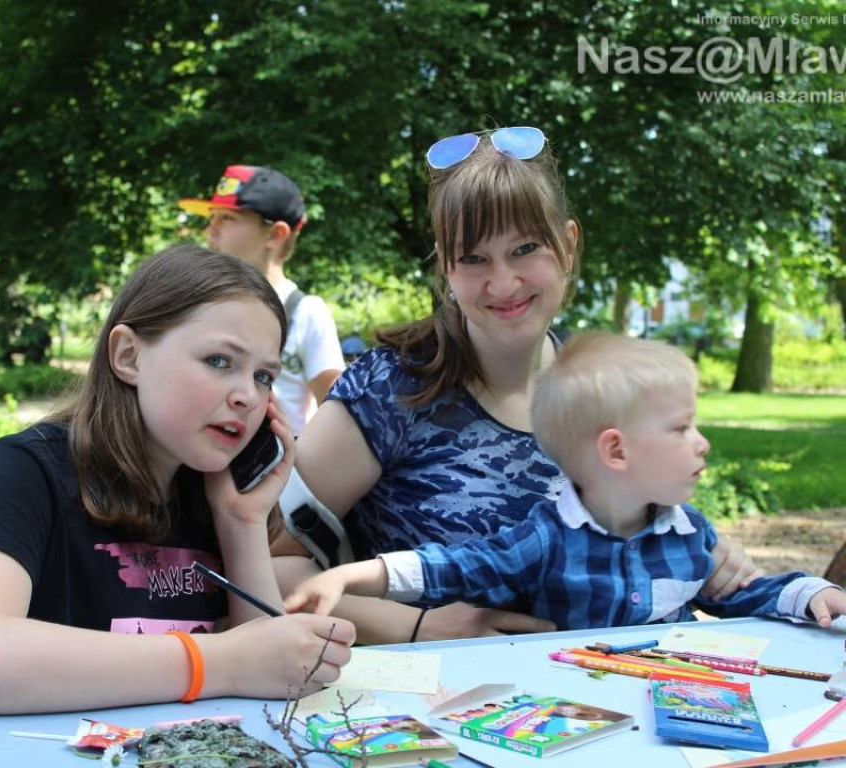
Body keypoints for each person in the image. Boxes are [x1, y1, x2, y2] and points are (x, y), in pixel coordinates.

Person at [271, 127, 760, 644]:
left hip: (621, 696)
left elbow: (644, 516)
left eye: (525, 249)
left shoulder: (606, 379)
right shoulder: (390, 389)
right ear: (446, 265)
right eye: (474, 258)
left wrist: (709, 554)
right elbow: (270, 570)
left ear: (568, 245)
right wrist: (420, 627)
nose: (502, 284)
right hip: (448, 709)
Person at [0, 245, 355, 715]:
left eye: (264, 375)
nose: (248, 396)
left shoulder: (211, 492)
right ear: (128, 355)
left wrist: (241, 523)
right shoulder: (25, 470)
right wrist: (221, 663)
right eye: (218, 361)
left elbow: (272, 677)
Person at [283, 333, 846, 631]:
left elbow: (743, 597)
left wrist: (809, 594)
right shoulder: (548, 536)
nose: (703, 443)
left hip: (670, 714)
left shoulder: (690, 535)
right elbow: (454, 565)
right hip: (566, 719)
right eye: (682, 429)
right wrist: (349, 578)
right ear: (616, 451)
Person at [179, 165, 345, 436]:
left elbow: (339, 411)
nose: (211, 230)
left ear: (275, 234)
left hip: (284, 474)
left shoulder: (305, 312)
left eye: (227, 218)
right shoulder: (204, 305)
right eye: (212, 217)